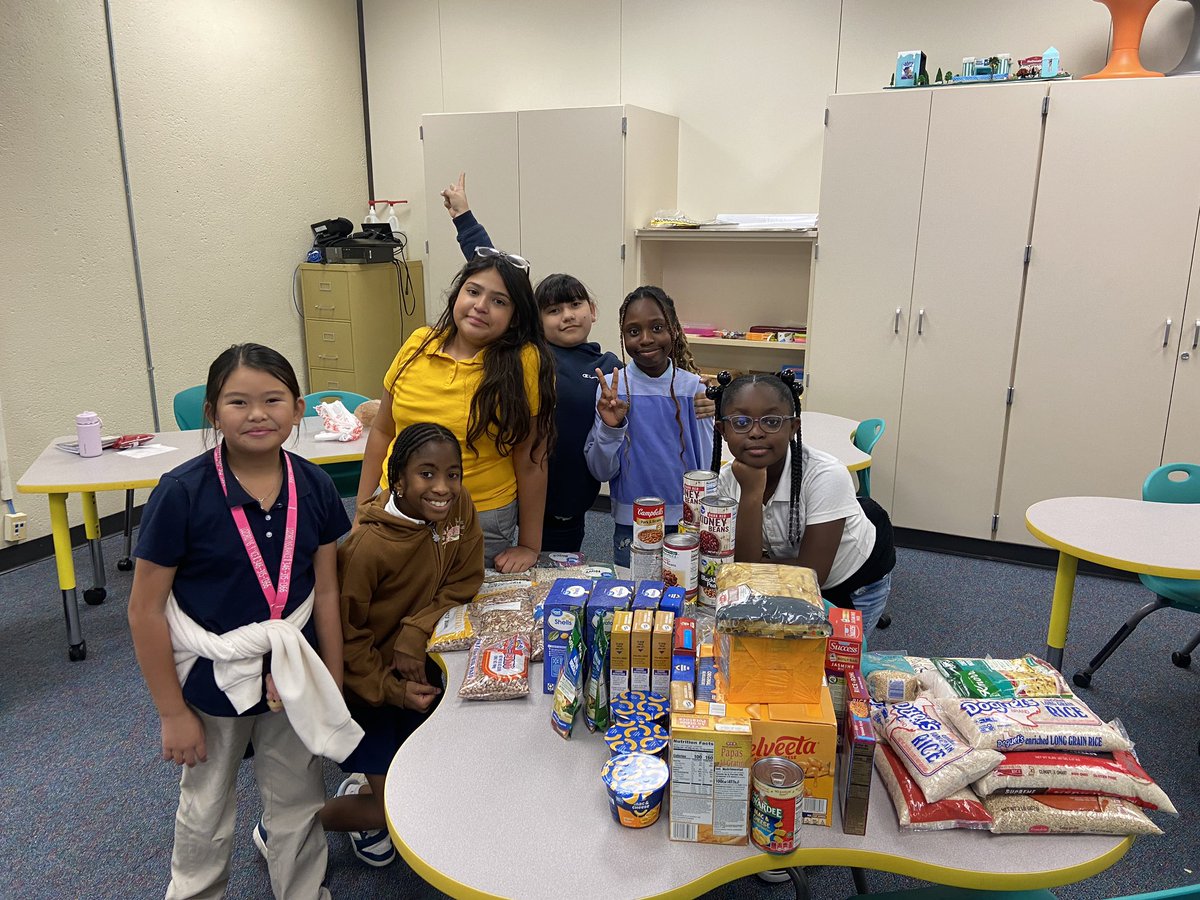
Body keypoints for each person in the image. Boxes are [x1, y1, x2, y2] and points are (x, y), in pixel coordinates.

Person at [127, 344, 357, 900]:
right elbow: (143, 610)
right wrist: (171, 712)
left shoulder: (314, 486)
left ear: (299, 407)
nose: (258, 414)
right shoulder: (181, 493)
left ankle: (304, 892)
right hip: (211, 682)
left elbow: (326, 590)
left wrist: (334, 673)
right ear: (212, 412)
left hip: (292, 675)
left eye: (273, 399)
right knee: (205, 808)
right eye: (238, 401)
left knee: (298, 800)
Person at [438, 172, 713, 552]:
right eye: (553, 309)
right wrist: (464, 219)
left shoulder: (611, 366)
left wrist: (706, 400)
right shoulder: (531, 351)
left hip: (569, 498)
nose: (566, 315)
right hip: (513, 485)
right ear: (536, 319)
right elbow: (501, 279)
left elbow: (654, 386)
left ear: (593, 310)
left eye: (575, 305)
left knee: (558, 572)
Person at [322, 422, 484, 866]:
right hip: (368, 686)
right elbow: (343, 638)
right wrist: (390, 690)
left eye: (453, 474)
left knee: (433, 779)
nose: (444, 488)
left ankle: (368, 785)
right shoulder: (366, 548)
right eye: (426, 474)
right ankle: (292, 822)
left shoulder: (459, 507)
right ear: (398, 481)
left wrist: (415, 630)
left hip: (419, 664)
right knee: (395, 807)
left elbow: (465, 579)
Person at [355, 247, 556, 573]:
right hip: (396, 505)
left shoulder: (523, 362)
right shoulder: (418, 343)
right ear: (457, 294)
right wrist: (364, 510)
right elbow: (383, 429)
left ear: (515, 316)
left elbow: (531, 457)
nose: (481, 306)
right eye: (473, 291)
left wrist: (531, 545)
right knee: (391, 601)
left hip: (477, 517)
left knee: (462, 614)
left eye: (499, 301)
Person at [709, 370, 896, 633]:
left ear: (793, 427)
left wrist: (753, 566)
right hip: (789, 571)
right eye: (740, 422)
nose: (756, 433)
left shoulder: (825, 475)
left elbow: (811, 575)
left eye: (772, 422)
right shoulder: (729, 479)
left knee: (840, 659)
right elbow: (745, 575)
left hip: (856, 579)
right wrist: (751, 493)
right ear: (723, 430)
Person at [585, 285, 715, 570]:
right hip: (630, 522)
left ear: (674, 331)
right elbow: (600, 471)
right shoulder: (612, 390)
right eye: (633, 332)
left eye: (657, 327)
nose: (645, 339)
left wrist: (717, 411)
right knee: (633, 602)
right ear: (623, 336)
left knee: (683, 601)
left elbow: (706, 466)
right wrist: (610, 426)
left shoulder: (694, 389)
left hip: (687, 522)